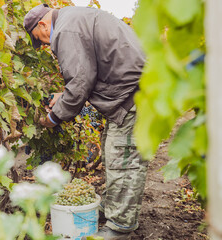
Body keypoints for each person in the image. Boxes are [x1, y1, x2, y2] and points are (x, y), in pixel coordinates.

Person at [24, 4, 148, 240]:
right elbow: (88, 73)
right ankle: (113, 208)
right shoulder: (74, 19)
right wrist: (64, 95)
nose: (43, 46)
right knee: (113, 152)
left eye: (39, 39)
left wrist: (53, 117)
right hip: (131, 94)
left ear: (42, 24)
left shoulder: (64, 31)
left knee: (123, 158)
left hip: (135, 96)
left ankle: (120, 227)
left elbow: (80, 82)